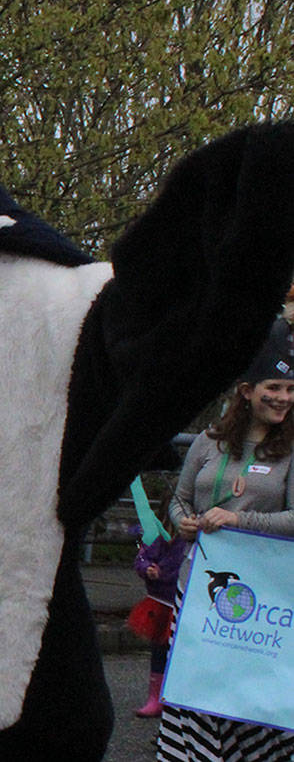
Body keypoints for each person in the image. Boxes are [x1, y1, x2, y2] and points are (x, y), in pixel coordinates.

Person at [156, 317, 294, 760]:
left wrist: (239, 521)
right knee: (193, 701)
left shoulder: (290, 450)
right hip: (195, 595)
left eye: (291, 389)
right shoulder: (207, 443)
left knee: (246, 706)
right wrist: (184, 522)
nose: (283, 398)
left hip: (257, 605)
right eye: (273, 387)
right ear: (246, 390)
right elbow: (177, 500)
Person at [127, 508, 187, 718]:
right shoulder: (158, 536)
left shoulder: (192, 538)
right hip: (161, 602)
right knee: (159, 650)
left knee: (181, 653)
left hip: (185, 601)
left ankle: (175, 700)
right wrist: (148, 569)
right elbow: (141, 558)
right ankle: (155, 698)